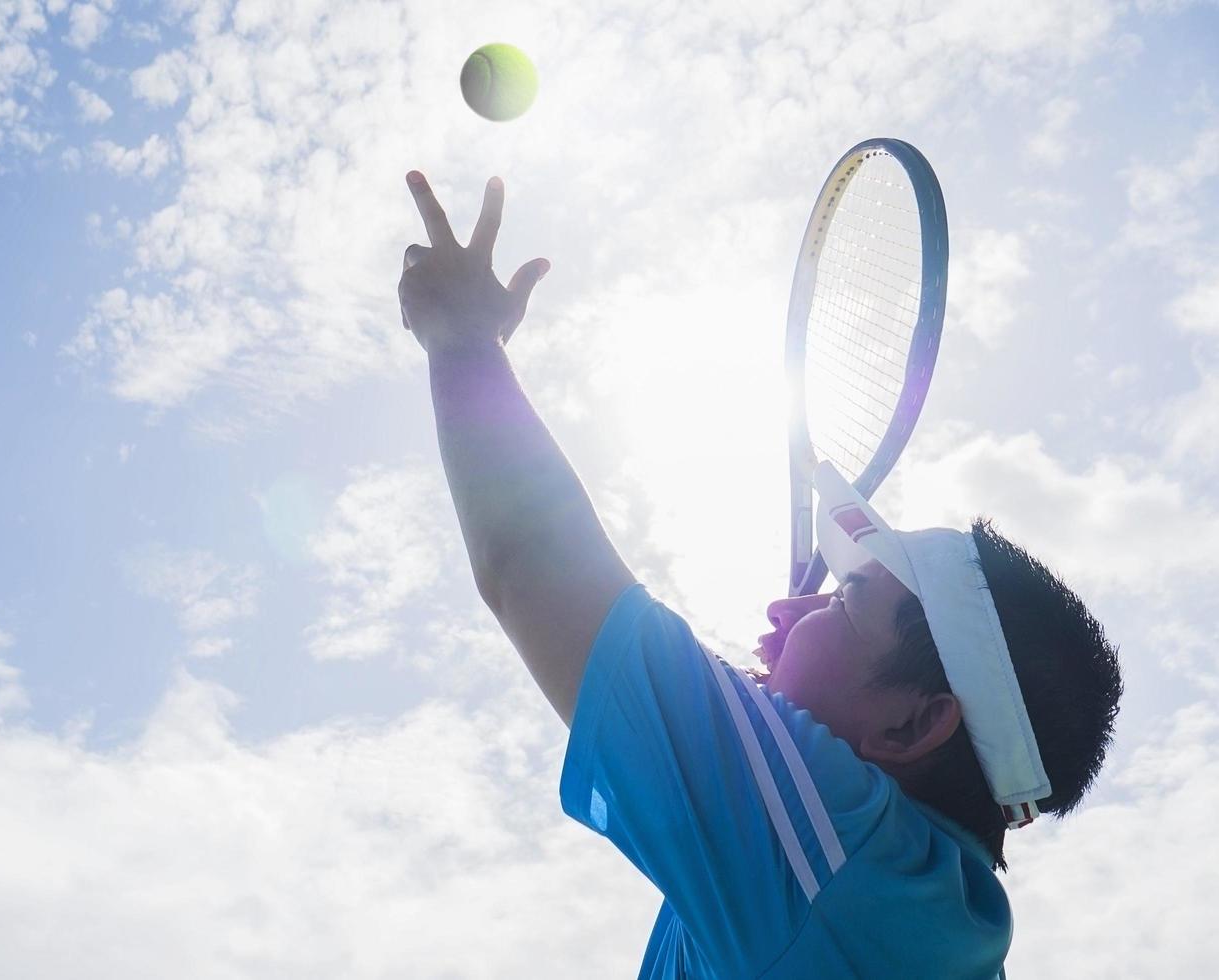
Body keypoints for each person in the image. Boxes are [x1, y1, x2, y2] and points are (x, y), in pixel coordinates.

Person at [399, 171, 1123, 979]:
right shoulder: (925, 909)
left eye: (849, 599)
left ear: (914, 726)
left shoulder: (839, 858)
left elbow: (527, 562)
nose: (789, 606)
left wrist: (461, 340)